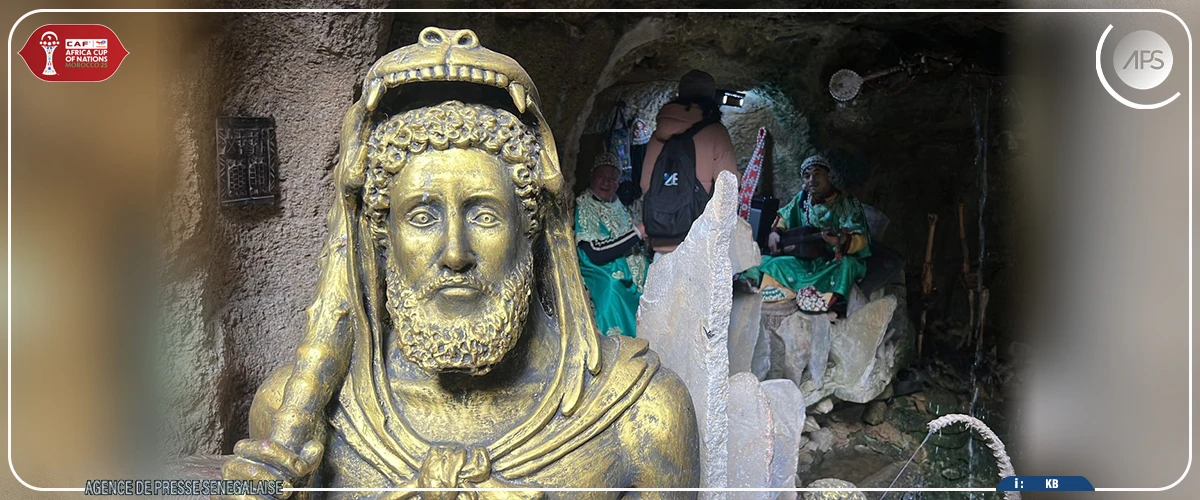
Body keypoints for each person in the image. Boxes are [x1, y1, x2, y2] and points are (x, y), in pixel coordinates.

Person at [219, 27, 698, 497]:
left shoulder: (642, 415)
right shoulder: (293, 417)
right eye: (422, 216)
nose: (455, 254)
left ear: (529, 230)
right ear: (383, 235)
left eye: (484, 214)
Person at [743, 154, 871, 317]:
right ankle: (778, 291)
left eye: (817, 174)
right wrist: (775, 233)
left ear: (829, 176)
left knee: (847, 265)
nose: (812, 179)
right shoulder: (803, 200)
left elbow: (860, 235)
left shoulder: (847, 203)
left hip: (833, 261)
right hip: (807, 259)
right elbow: (783, 216)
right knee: (772, 263)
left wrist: (841, 240)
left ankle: (825, 299)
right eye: (807, 176)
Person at [640, 69, 738, 258]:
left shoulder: (658, 135)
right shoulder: (716, 132)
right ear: (711, 96)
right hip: (699, 244)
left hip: (661, 241)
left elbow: (646, 185)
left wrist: (667, 212)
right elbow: (728, 189)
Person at [575, 152, 649, 338]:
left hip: (627, 264)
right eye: (602, 177)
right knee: (612, 287)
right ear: (592, 177)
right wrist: (637, 233)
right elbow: (595, 252)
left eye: (612, 179)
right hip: (599, 268)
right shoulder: (585, 204)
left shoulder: (618, 205)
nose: (607, 183)